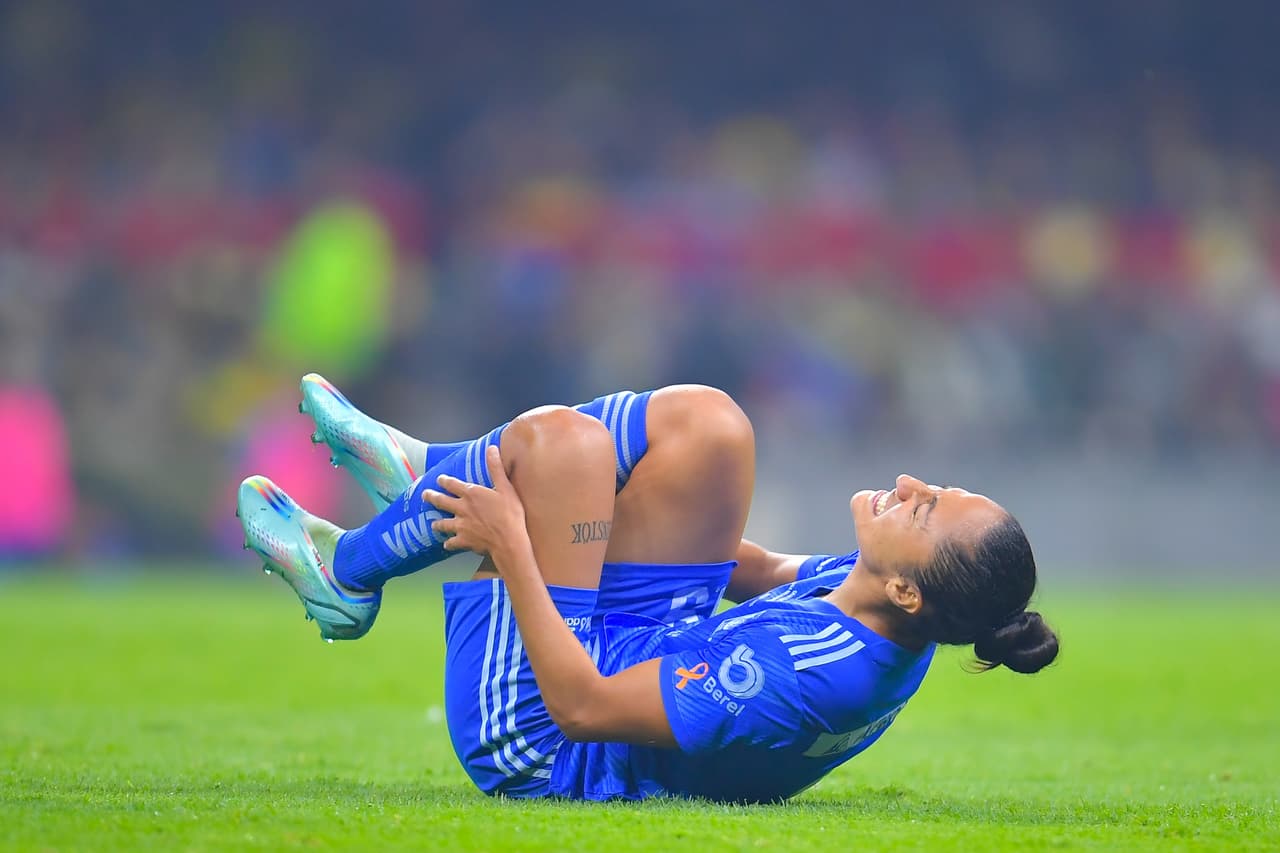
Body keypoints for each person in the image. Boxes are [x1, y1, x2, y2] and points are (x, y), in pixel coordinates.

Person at [237, 374, 1058, 802]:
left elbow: (583, 709)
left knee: (563, 450)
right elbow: (764, 571)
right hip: (631, 652)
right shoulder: (894, 605)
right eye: (934, 487)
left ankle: (346, 572)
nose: (909, 481)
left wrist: (520, 538)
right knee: (711, 427)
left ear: (914, 592)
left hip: (544, 741)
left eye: (924, 509)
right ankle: (439, 471)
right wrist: (628, 508)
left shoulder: (796, 679)